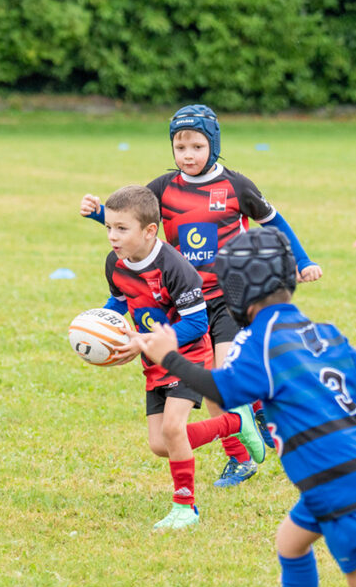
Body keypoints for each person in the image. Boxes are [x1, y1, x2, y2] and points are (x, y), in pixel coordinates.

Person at [133, 228, 356, 587]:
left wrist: (170, 358)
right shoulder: (325, 333)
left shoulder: (258, 344)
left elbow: (220, 392)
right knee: (291, 542)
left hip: (331, 477)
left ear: (236, 292)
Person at [80, 104, 322, 488]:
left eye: (196, 146)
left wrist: (303, 261)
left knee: (223, 372)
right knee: (212, 388)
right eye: (180, 147)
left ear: (214, 144)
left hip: (228, 295)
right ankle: (239, 455)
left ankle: (260, 408)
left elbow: (274, 222)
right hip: (181, 301)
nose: (188, 155)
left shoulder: (236, 186)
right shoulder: (162, 188)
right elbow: (133, 220)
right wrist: (97, 215)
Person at [96, 184, 265, 530]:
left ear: (149, 231)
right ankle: (234, 423)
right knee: (161, 445)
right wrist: (98, 323)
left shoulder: (175, 268)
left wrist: (143, 342)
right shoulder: (114, 262)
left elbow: (197, 324)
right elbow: (120, 299)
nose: (112, 236)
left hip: (187, 357)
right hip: (152, 363)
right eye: (109, 227)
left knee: (175, 428)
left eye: (121, 229)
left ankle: (185, 507)